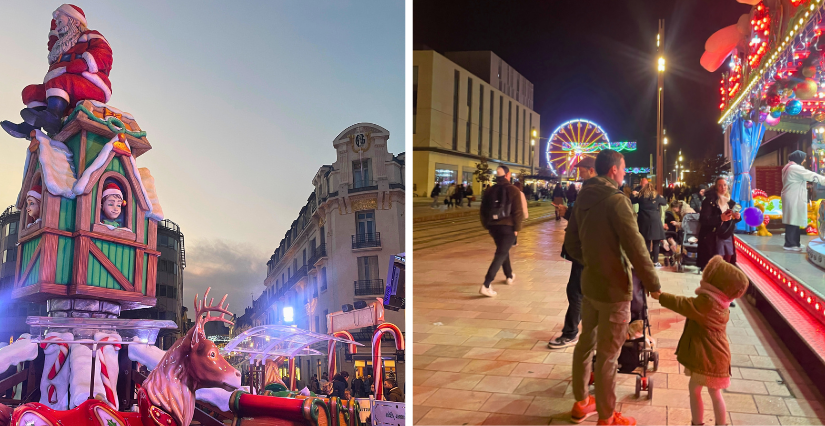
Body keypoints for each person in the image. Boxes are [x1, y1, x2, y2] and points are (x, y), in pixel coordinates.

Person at [564, 149, 660, 425]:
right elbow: (637, 246)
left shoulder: (583, 197)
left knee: (585, 344)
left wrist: (592, 261)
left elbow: (571, 244)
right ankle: (607, 417)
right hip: (615, 288)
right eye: (623, 168)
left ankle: (581, 401)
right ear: (613, 171)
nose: (625, 172)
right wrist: (653, 283)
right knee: (608, 355)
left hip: (590, 284)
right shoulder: (617, 201)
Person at [650, 256, 748, 426]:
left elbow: (684, 304)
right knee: (713, 392)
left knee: (698, 390)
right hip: (715, 356)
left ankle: (698, 422)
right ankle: (717, 423)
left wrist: (661, 296)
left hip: (708, 357)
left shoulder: (707, 303)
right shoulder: (719, 303)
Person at [3, 4, 114, 138]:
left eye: (61, 19)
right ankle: (30, 127)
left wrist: (83, 63)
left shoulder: (89, 36)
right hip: (63, 88)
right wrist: (55, 24)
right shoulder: (63, 44)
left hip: (89, 84)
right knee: (32, 91)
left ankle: (53, 116)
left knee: (59, 82)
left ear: (75, 21)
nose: (57, 23)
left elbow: (104, 53)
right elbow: (53, 44)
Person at [548, 157, 597, 349]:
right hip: (585, 249)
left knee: (576, 291)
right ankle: (583, 327)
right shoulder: (590, 189)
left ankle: (571, 332)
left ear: (591, 170)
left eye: (581, 169)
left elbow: (587, 219)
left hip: (586, 249)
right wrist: (567, 212)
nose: (579, 173)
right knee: (580, 291)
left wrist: (568, 213)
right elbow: (583, 217)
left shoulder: (592, 190)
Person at [479, 165, 525, 297]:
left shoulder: (489, 190)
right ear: (507, 175)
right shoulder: (513, 190)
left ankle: (509, 275)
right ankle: (486, 284)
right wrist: (517, 229)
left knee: (503, 250)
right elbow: (518, 212)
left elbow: (483, 211)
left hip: (494, 227)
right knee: (500, 253)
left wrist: (487, 225)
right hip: (507, 227)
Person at [782, 150, 824, 250]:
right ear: (798, 158)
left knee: (793, 219)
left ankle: (795, 243)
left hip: (792, 195)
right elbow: (811, 175)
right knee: (793, 220)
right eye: (803, 158)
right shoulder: (795, 168)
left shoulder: (788, 167)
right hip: (794, 196)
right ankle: (791, 244)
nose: (804, 160)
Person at [697, 177, 741, 269]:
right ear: (716, 187)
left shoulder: (730, 202)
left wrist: (737, 217)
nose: (723, 187)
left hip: (727, 234)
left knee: (728, 260)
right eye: (720, 185)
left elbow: (732, 219)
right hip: (713, 237)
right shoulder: (709, 201)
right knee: (716, 263)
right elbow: (704, 219)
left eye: (725, 185)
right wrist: (720, 218)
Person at [631, 183, 668, 267]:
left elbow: (632, 200)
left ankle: (647, 261)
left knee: (646, 242)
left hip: (644, 221)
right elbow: (664, 202)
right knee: (656, 242)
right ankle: (655, 262)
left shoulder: (641, 197)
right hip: (655, 220)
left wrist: (633, 194)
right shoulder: (657, 196)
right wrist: (661, 197)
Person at [663, 200, 695, 266]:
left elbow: (687, 225)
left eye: (675, 210)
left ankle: (674, 246)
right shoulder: (684, 210)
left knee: (670, 235)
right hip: (689, 233)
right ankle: (674, 246)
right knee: (671, 234)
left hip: (688, 234)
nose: (674, 212)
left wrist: (676, 223)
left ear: (677, 207)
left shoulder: (687, 212)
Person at [513, 181, 529, 246]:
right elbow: (524, 204)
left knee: (511, 226)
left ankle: (511, 241)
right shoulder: (521, 194)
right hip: (518, 212)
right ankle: (514, 241)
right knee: (516, 227)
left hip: (510, 212)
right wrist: (525, 214)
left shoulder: (510, 192)